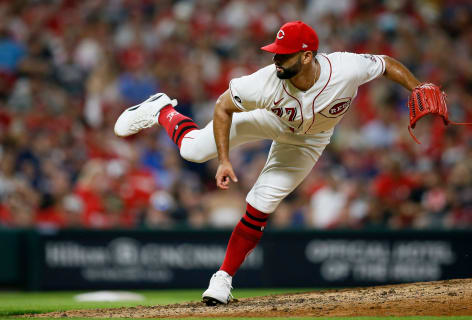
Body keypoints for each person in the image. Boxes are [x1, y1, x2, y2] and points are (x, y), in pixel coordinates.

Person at [114, 21, 426, 305]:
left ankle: (222, 278)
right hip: (269, 120)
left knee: (262, 201)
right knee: (193, 151)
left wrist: (418, 88)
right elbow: (223, 107)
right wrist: (223, 160)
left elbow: (386, 64)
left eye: (284, 55)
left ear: (306, 56)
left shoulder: (345, 67)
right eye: (275, 53)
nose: (276, 60)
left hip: (309, 140)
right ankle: (162, 109)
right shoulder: (264, 81)